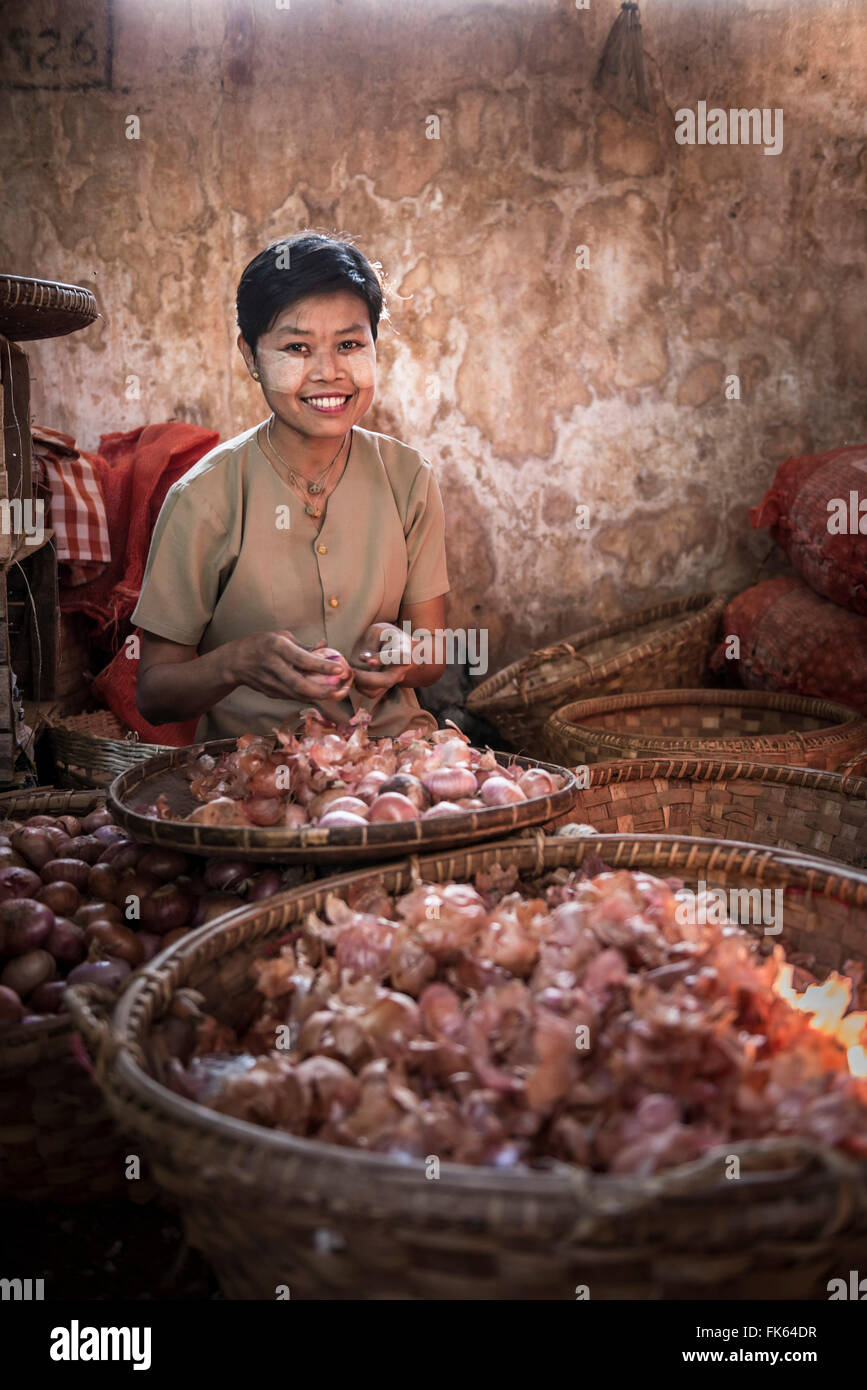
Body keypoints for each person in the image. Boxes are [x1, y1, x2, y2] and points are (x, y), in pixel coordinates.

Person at [133, 230, 449, 742]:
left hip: (394, 767)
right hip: (254, 774)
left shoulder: (410, 478)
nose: (328, 372)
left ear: (374, 348)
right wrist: (234, 663)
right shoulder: (203, 497)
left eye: (350, 345)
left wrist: (402, 652)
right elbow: (154, 694)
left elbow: (433, 657)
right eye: (296, 348)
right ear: (252, 357)